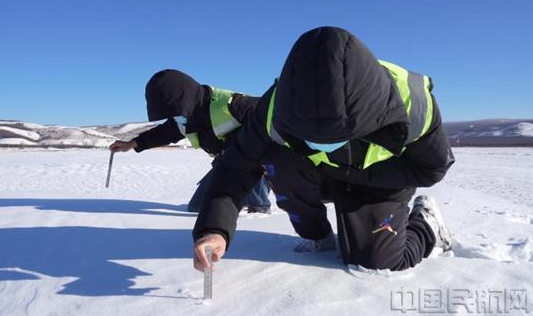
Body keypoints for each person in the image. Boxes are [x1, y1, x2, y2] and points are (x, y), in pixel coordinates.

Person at [192, 27, 455, 272]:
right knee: (277, 159)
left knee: (378, 263)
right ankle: (318, 236)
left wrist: (353, 177)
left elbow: (430, 170)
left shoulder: (414, 106)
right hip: (321, 173)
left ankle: (427, 224)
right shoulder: (275, 106)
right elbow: (236, 166)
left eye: (338, 137)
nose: (323, 146)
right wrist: (215, 228)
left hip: (379, 183)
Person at [110, 69, 272, 213]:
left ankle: (259, 207)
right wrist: (131, 144)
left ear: (184, 98)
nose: (174, 116)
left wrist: (237, 146)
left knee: (248, 156)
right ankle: (238, 198)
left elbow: (269, 118)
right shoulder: (184, 118)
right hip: (227, 165)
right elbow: (164, 133)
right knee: (198, 207)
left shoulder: (233, 105)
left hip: (258, 162)